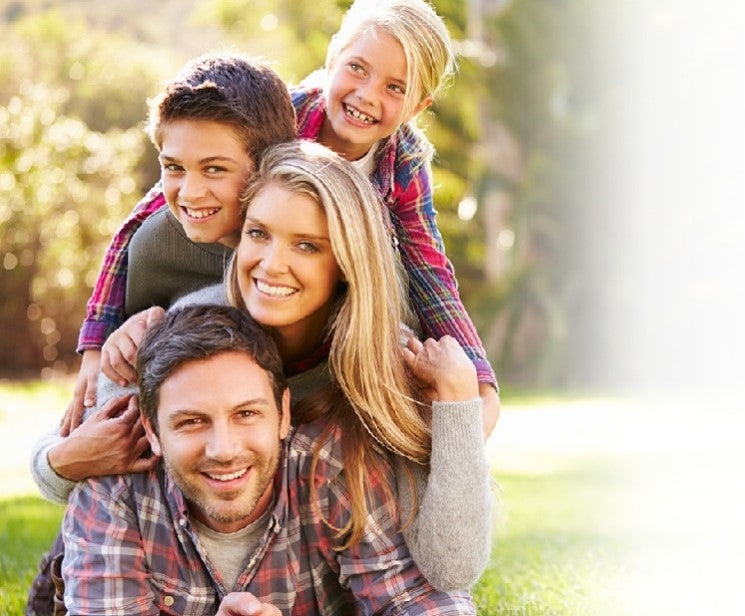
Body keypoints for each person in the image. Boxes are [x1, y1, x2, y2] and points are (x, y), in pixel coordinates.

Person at [31, 142, 493, 612]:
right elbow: (98, 458)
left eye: (308, 245)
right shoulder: (180, 334)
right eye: (258, 234)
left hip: (314, 547)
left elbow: (443, 573)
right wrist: (61, 463)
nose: (271, 264)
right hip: (142, 551)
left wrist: (458, 404)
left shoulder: (384, 373)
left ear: (347, 264)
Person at [68, 0, 500, 437]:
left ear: (418, 105)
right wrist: (95, 342)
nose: (368, 94)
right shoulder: (283, 118)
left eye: (395, 88)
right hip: (243, 282)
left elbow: (430, 269)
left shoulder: (403, 162)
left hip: (333, 307)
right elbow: (142, 217)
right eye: (357, 68)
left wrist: (479, 378)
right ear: (332, 58)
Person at [61, 303, 476, 615]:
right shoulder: (111, 493)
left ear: (284, 413)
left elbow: (421, 602)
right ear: (152, 430)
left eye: (247, 414)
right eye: (191, 422)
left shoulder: (332, 467)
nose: (223, 450)